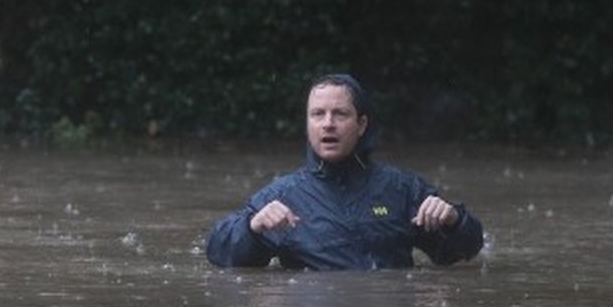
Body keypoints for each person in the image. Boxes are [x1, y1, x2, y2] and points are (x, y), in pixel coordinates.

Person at [206, 74, 484, 270]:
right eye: (318, 114)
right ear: (307, 124)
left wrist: (454, 219)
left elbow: (464, 251)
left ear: (361, 124)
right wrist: (251, 228)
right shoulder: (280, 197)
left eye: (340, 114)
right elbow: (219, 253)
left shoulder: (403, 189)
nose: (328, 124)